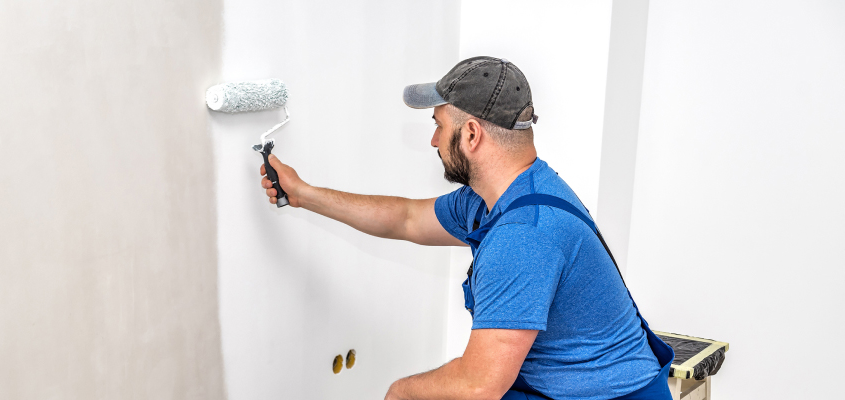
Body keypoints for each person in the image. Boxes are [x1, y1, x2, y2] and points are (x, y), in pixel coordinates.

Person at [258, 56, 675, 400]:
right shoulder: (500, 197)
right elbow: (405, 218)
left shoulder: (523, 235)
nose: (435, 141)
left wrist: (399, 393)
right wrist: (304, 193)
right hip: (560, 387)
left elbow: (478, 385)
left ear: (471, 134)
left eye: (439, 125)